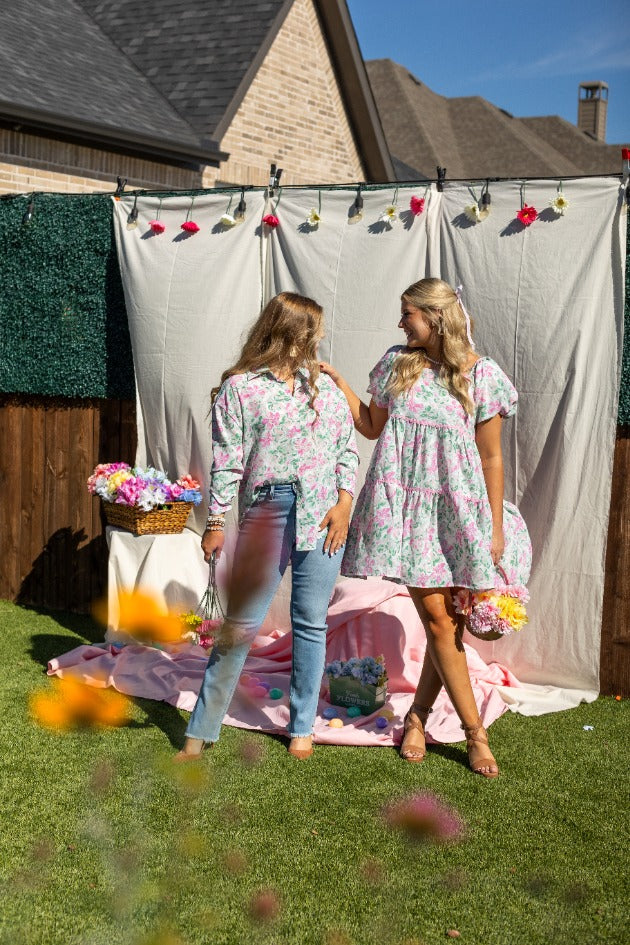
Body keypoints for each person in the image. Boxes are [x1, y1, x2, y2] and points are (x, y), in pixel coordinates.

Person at [321, 278, 519, 778]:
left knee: (447, 623)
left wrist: (494, 527)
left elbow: (491, 458)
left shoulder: (483, 376)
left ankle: (417, 717)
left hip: (458, 512)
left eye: (407, 313)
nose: (400, 323)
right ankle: (476, 735)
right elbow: (371, 426)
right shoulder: (397, 363)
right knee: (438, 620)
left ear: (435, 317)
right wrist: (339, 382)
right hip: (405, 513)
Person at [175, 292, 358, 761]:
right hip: (268, 508)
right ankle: (200, 730)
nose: (319, 338)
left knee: (311, 622)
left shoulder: (325, 388)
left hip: (325, 514)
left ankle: (302, 726)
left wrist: (345, 502)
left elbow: (346, 450)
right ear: (291, 332)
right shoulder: (241, 389)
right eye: (313, 330)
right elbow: (227, 462)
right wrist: (215, 522)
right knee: (240, 625)